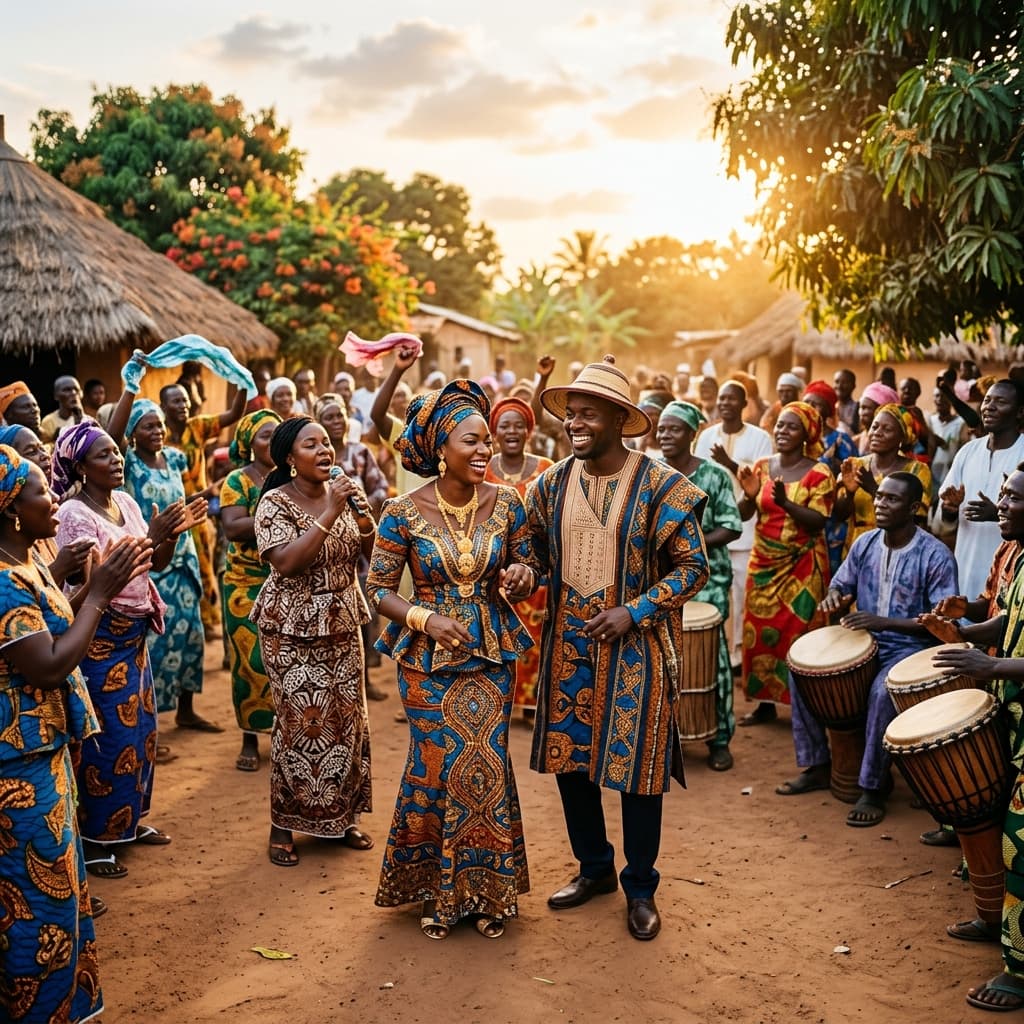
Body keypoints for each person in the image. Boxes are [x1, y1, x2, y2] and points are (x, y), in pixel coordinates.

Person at [525, 359, 709, 942]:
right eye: (570, 414)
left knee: (638, 773)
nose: (575, 423)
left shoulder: (661, 486)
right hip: (567, 650)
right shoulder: (548, 484)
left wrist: (636, 609)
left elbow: (694, 567)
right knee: (570, 765)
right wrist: (520, 573)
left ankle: (640, 887)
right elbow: (533, 555)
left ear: (619, 421)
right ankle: (595, 869)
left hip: (639, 652)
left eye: (588, 414)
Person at [367, 380, 534, 939]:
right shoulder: (401, 511)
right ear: (442, 448)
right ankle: (437, 890)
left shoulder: (508, 502)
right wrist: (425, 618)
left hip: (490, 654)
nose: (485, 450)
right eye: (472, 441)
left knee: (483, 761)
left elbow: (526, 564)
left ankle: (488, 891)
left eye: (487, 440)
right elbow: (377, 589)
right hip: (426, 661)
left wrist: (520, 575)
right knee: (437, 765)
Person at [0, 445, 151, 1024]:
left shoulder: (28, 559)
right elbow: (49, 663)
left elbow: (51, 621)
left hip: (44, 751)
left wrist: (84, 590)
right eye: (42, 493)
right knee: (37, 900)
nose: (55, 502)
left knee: (62, 889)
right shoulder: (6, 580)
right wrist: (101, 594)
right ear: (12, 508)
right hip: (19, 765)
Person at [52, 420, 188, 879]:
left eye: (116, 452)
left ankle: (128, 822)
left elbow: (153, 566)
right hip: (99, 637)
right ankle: (96, 839)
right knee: (106, 736)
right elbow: (85, 584)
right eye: (104, 455)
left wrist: (164, 536)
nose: (116, 460)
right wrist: (149, 534)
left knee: (141, 732)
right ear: (81, 467)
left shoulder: (126, 503)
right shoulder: (75, 514)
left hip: (133, 638)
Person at [780, 473, 957, 824]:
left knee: (880, 693)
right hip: (867, 640)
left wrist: (884, 622)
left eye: (891, 499)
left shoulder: (935, 555)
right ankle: (817, 764)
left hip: (911, 647)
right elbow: (841, 584)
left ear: (913, 508)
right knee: (800, 670)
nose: (880, 503)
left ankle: (873, 788)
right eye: (880, 497)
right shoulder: (864, 544)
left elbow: (942, 624)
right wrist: (835, 596)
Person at [918, 466, 1024, 1010]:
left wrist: (991, 666)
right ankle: (998, 924)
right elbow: (1008, 623)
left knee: (1022, 843)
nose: (1001, 502)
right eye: (1004, 493)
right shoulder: (1021, 560)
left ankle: (1021, 971)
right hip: (1016, 719)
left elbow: (1011, 651)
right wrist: (964, 633)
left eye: (1014, 497)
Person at [251, 416, 376, 867]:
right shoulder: (274, 504)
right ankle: (283, 824)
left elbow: (368, 551)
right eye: (311, 445)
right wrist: (331, 512)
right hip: (291, 630)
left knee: (347, 721)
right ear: (289, 458)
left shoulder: (341, 492)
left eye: (327, 443)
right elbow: (286, 562)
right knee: (301, 723)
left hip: (343, 621)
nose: (325, 451)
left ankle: (340, 817)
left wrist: (362, 518)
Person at [120, 399, 218, 732]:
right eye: (148, 425)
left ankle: (186, 711)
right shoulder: (128, 464)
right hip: (152, 560)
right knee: (156, 643)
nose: (157, 430)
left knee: (192, 635)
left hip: (184, 556)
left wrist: (203, 497)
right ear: (133, 432)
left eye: (159, 424)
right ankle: (151, 725)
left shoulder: (175, 458)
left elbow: (178, 501)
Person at [656, 401, 742, 770]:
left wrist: (689, 544)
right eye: (661, 428)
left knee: (714, 659)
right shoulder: (652, 473)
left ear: (692, 434)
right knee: (662, 658)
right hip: (660, 579)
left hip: (706, 576)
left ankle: (718, 738)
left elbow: (731, 525)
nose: (664, 435)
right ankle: (667, 733)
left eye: (673, 429)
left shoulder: (715, 476)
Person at [737, 402, 834, 724]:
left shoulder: (819, 473)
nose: (782, 431)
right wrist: (749, 494)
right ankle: (764, 703)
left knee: (801, 637)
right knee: (758, 631)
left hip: (803, 566)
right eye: (779, 424)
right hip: (763, 563)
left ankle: (804, 708)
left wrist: (785, 503)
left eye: (792, 426)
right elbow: (744, 515)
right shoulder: (762, 466)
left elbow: (818, 522)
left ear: (807, 434)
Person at [315, 392, 390, 701]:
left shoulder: (360, 453)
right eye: (329, 417)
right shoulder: (316, 459)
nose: (336, 421)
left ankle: (365, 680)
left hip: (359, 547)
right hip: (325, 545)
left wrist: (363, 504)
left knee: (361, 614)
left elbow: (382, 487)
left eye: (339, 415)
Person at [694, 380, 773, 668]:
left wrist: (729, 462)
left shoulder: (760, 437)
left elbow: (759, 481)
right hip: (712, 530)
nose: (725, 403)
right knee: (713, 595)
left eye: (732, 399)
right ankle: (716, 653)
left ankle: (739, 656)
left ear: (744, 404)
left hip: (745, 531)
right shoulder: (706, 437)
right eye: (722, 399)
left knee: (741, 596)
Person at [484, 395, 554, 717]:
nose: (511, 431)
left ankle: (530, 702)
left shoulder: (546, 470)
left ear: (529, 430)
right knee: (496, 634)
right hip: (494, 569)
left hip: (536, 573)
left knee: (534, 639)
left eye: (518, 425)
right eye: (504, 426)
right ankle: (500, 699)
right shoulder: (481, 468)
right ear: (494, 432)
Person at [160, 380, 246, 638]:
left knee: (204, 564)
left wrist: (241, 384)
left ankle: (206, 621)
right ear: (163, 406)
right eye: (176, 401)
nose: (183, 405)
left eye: (185, 400)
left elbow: (233, 415)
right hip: (170, 512)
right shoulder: (156, 432)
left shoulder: (196, 427)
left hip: (199, 510)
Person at [219, 410, 281, 772]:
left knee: (281, 659)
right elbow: (233, 527)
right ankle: (248, 736)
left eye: (276, 435)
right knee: (249, 661)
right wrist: (278, 515)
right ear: (247, 443)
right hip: (244, 583)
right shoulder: (237, 481)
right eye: (263, 436)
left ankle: (282, 735)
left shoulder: (289, 474)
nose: (271, 443)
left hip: (284, 577)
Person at [939, 379, 1024, 602]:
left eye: (1000, 401)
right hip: (965, 571)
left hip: (1012, 577)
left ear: (1020, 412)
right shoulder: (968, 452)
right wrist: (950, 508)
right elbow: (946, 521)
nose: (989, 407)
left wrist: (997, 514)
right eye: (987, 400)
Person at [834, 404, 932, 552]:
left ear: (902, 437)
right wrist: (849, 493)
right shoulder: (855, 465)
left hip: (899, 550)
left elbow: (918, 519)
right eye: (875, 427)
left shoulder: (917, 470)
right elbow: (840, 516)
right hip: (859, 550)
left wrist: (874, 488)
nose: (877, 433)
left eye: (887, 429)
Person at [802, 380, 859, 574]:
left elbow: (851, 480)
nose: (809, 408)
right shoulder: (796, 439)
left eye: (816, 404)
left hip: (833, 519)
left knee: (830, 572)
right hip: (799, 517)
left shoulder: (842, 441)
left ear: (827, 410)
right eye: (806, 402)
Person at [853, 381, 899, 454]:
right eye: (861, 407)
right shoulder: (855, 441)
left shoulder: (892, 444)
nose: (862, 412)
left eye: (867, 408)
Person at [38, 375, 85, 444]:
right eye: (67, 390)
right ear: (56, 396)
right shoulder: (48, 421)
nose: (73, 393)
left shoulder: (88, 420)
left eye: (76, 390)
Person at [833, 369, 859, 436]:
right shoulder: (830, 408)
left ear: (853, 386)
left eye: (844, 382)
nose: (839, 386)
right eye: (837, 382)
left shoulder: (859, 409)